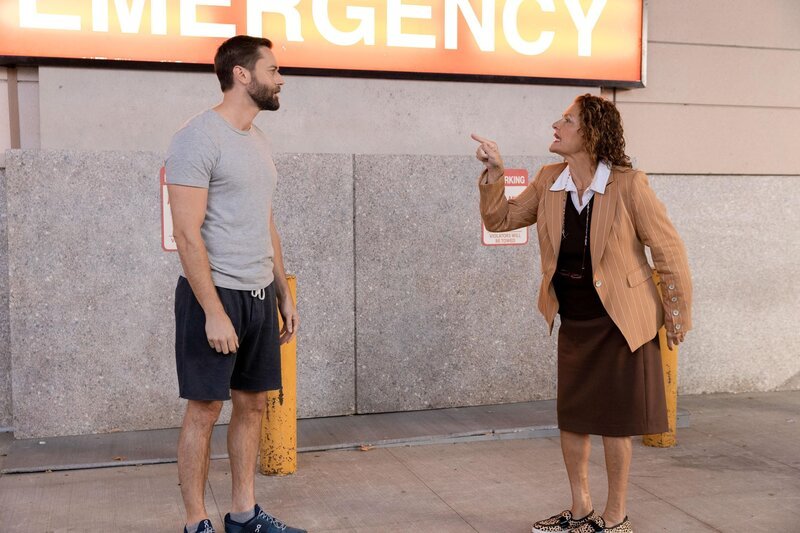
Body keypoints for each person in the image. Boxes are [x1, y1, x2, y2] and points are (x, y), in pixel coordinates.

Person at [472, 94, 692, 533]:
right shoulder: (549, 180)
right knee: (572, 417)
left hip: (621, 321)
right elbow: (500, 220)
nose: (557, 124)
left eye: (567, 120)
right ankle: (580, 511)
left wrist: (676, 317)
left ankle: (615, 517)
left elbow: (668, 251)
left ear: (591, 132)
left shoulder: (629, 184)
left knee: (615, 421)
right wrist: (495, 174)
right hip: (574, 319)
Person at [166, 35, 305, 533]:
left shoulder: (258, 142)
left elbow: (263, 220)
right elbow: (186, 232)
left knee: (252, 404)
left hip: (257, 292)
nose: (281, 78)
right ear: (242, 74)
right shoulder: (197, 137)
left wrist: (282, 292)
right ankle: (195, 521)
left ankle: (243, 513)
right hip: (215, 293)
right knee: (204, 408)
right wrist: (212, 310)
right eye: (272, 69)